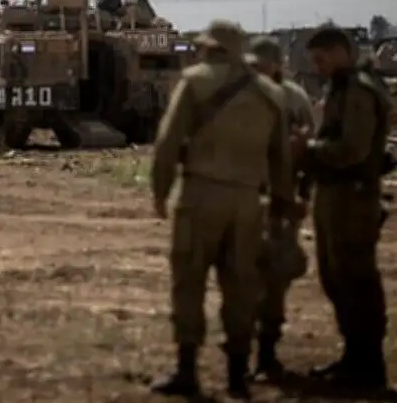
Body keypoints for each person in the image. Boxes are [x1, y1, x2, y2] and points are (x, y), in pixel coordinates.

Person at [150, 20, 294, 399]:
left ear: (209, 47)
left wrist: (160, 192)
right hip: (248, 201)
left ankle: (187, 370)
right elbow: (281, 157)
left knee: (189, 281)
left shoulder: (195, 81)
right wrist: (282, 202)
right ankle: (237, 374)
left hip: (201, 193)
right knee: (241, 284)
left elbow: (167, 142)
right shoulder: (270, 93)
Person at [293, 24, 390, 390]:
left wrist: (308, 150)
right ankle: (353, 358)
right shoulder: (341, 88)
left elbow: (353, 149)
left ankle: (367, 366)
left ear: (340, 52)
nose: (317, 67)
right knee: (336, 278)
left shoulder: (358, 91)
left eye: (321, 59)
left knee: (355, 279)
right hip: (336, 195)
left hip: (353, 196)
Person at [244, 37, 315, 379]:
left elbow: (308, 149)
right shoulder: (244, 95)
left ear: (277, 64)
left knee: (274, 277)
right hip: (246, 196)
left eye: (263, 63)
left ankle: (267, 353)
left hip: (281, 199)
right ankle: (242, 351)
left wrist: (303, 195)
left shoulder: (293, 98)